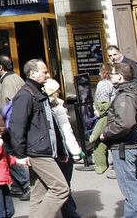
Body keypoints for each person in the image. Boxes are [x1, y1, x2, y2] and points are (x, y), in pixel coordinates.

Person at [8, 59, 69, 218]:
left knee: (38, 193)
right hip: (37, 151)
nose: (48, 75)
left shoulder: (39, 92)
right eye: (45, 72)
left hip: (44, 149)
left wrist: (60, 150)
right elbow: (16, 126)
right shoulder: (25, 94)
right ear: (33, 73)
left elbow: (50, 124)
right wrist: (20, 154)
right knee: (61, 189)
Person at [100, 62, 137, 217]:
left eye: (112, 73)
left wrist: (106, 134)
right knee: (135, 184)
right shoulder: (131, 92)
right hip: (129, 144)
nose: (109, 76)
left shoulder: (125, 96)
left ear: (120, 76)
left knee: (130, 189)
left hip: (124, 146)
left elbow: (125, 123)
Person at [43, 79, 82, 218]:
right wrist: (76, 152)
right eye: (57, 89)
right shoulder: (58, 107)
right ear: (54, 92)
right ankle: (70, 214)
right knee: (64, 185)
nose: (59, 91)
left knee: (57, 185)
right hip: (62, 151)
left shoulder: (41, 106)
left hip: (48, 150)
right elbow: (66, 131)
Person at [0, 55, 29, 200]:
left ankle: (26, 184)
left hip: (10, 125)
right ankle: (17, 185)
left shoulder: (7, 81)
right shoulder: (17, 78)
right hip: (17, 123)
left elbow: (8, 104)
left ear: (1, 67)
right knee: (13, 154)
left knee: (10, 156)